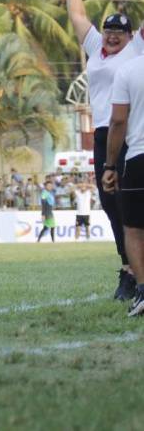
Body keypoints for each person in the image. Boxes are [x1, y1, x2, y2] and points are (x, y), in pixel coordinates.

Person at [66, 0, 144, 299]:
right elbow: (78, 17)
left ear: (131, 36)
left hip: (130, 133)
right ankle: (128, 270)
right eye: (109, 31)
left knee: (133, 204)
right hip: (102, 132)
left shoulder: (137, 49)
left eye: (119, 33)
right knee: (112, 204)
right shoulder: (96, 50)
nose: (112, 36)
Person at [103, 51, 144, 315]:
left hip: (139, 157)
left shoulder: (128, 70)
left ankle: (143, 290)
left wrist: (109, 165)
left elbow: (118, 121)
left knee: (134, 230)